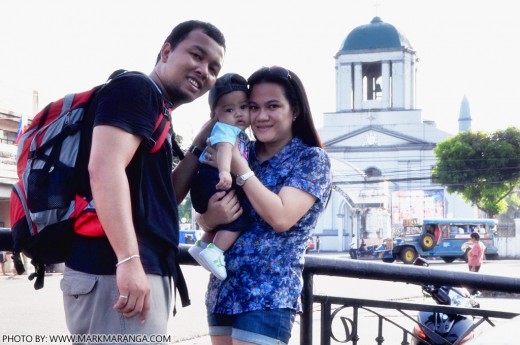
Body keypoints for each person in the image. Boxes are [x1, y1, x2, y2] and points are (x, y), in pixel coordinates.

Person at [60, 20, 226, 340]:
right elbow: (105, 168)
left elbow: (164, 198)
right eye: (196, 55)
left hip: (128, 273)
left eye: (213, 67)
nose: (204, 69)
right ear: (166, 51)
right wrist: (129, 260)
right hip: (115, 272)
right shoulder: (137, 89)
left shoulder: (156, 109)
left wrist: (199, 144)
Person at [198, 66, 332, 345]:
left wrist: (240, 168)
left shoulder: (310, 159)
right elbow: (208, 209)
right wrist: (209, 219)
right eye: (252, 107)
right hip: (223, 292)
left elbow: (281, 217)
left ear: (294, 110)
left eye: (272, 106)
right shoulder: (241, 147)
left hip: (267, 295)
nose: (260, 116)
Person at [188, 73, 251, 280]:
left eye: (244, 107)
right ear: (214, 115)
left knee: (226, 218)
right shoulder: (225, 130)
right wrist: (225, 171)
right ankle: (215, 251)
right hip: (213, 181)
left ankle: (203, 245)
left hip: (207, 184)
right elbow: (224, 150)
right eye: (229, 110)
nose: (239, 114)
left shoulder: (235, 131)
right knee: (237, 218)